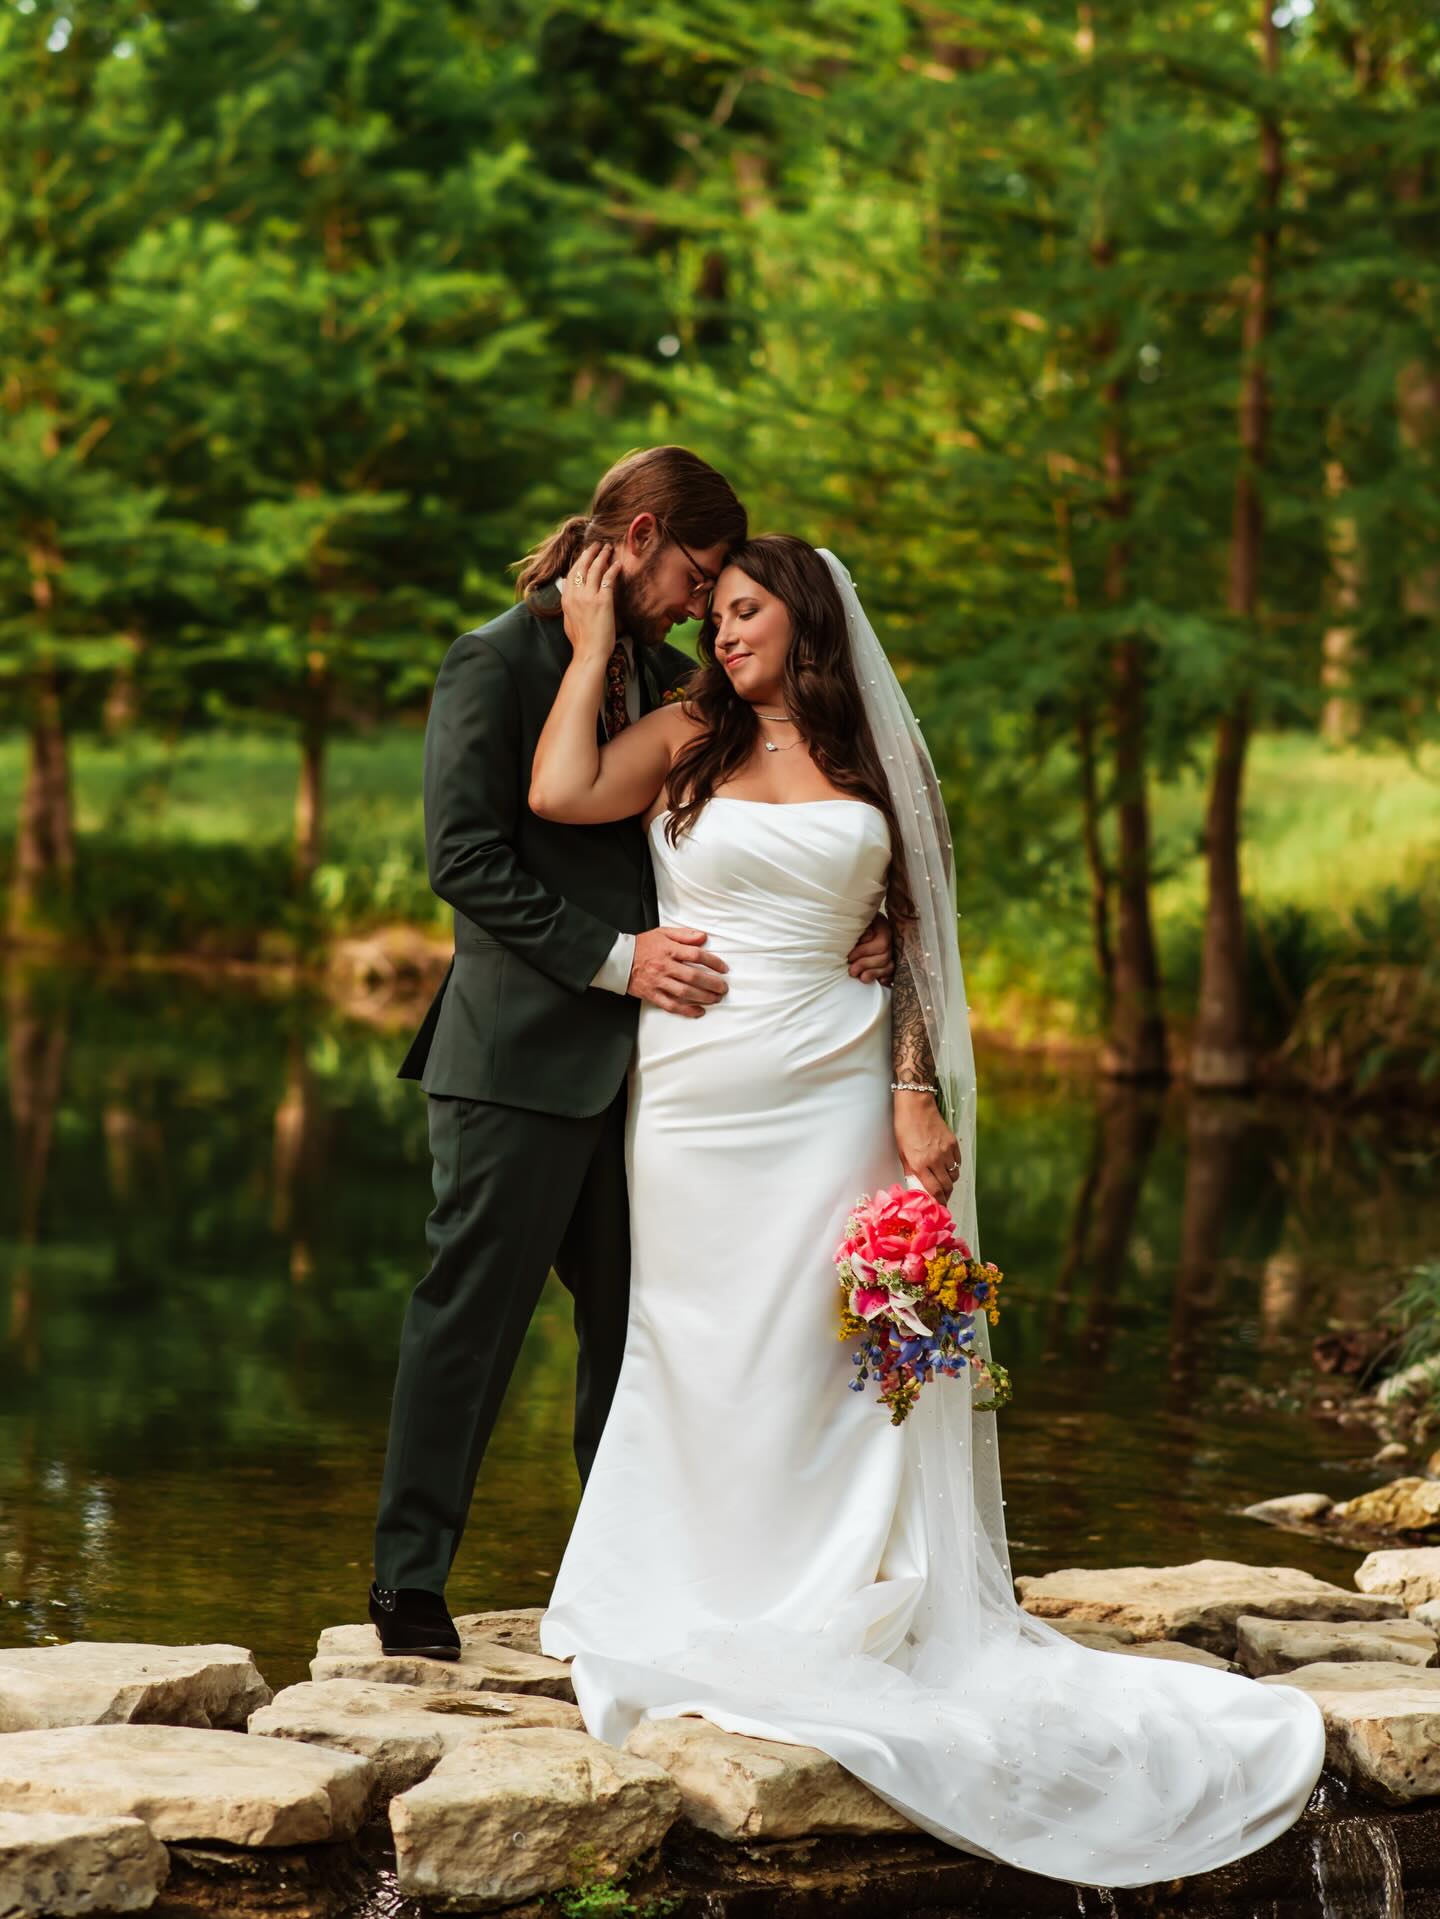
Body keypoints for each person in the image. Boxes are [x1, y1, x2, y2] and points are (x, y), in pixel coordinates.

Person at [527, 533, 1327, 1890]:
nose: (724, 633)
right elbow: (557, 790)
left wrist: (911, 1091)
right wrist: (596, 643)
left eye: (746, 610)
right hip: (699, 1089)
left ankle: (836, 1593)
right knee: (693, 1337)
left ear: (807, 619)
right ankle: (681, 1589)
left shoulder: (872, 762)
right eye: (716, 616)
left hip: (835, 1086)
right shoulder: (686, 734)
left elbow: (913, 941)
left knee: (819, 1346)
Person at [369, 451, 893, 1660]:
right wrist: (616, 959)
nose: (703, 607)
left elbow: (755, 823)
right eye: (698, 578)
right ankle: (410, 1582)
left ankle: (623, 1581)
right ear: (644, 534)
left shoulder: (678, 683)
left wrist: (858, 919)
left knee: (641, 1329)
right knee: (472, 1318)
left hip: (669, 1077)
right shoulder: (494, 661)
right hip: (516, 1060)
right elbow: (464, 859)